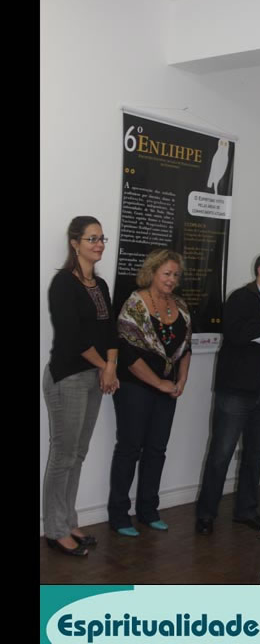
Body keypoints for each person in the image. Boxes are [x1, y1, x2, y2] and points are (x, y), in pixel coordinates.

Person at [196, 251, 260, 534]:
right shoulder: (240, 298)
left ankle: (246, 510)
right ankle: (206, 514)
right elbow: (237, 334)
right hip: (236, 392)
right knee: (221, 453)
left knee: (257, 454)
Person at [43, 216, 119, 557]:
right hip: (68, 377)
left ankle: (68, 520)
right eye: (92, 239)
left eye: (102, 238)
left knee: (78, 453)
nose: (99, 244)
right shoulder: (63, 283)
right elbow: (73, 337)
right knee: (63, 455)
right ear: (75, 243)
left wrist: (110, 367)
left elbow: (110, 331)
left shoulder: (99, 285)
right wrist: (106, 367)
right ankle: (55, 529)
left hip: (95, 375)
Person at [108, 249, 191, 536]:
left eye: (176, 275)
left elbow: (186, 348)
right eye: (166, 273)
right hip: (135, 388)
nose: (171, 279)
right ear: (152, 272)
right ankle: (119, 515)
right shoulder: (135, 304)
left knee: (157, 450)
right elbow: (128, 355)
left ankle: (148, 510)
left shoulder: (181, 305)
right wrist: (159, 383)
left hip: (167, 389)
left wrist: (182, 380)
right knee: (129, 449)